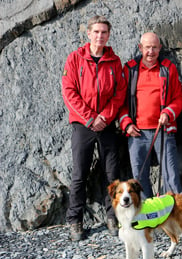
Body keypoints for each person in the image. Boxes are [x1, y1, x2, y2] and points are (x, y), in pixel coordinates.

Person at [62, 15, 127, 241]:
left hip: (107, 125)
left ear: (109, 35)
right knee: (80, 174)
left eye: (104, 32)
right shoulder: (75, 59)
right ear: (88, 33)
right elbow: (69, 92)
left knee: (112, 174)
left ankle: (113, 216)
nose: (100, 36)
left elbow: (120, 94)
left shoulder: (114, 61)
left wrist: (105, 117)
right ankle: (75, 221)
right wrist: (91, 118)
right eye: (96, 32)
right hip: (83, 125)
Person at [118, 32, 182, 199]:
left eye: (155, 47)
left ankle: (177, 215)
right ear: (140, 48)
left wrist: (169, 113)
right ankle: (147, 215)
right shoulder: (130, 69)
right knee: (138, 179)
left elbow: (178, 98)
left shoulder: (168, 68)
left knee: (171, 175)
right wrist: (126, 123)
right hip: (136, 132)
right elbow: (120, 101)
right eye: (147, 47)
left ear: (160, 48)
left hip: (163, 129)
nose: (151, 51)